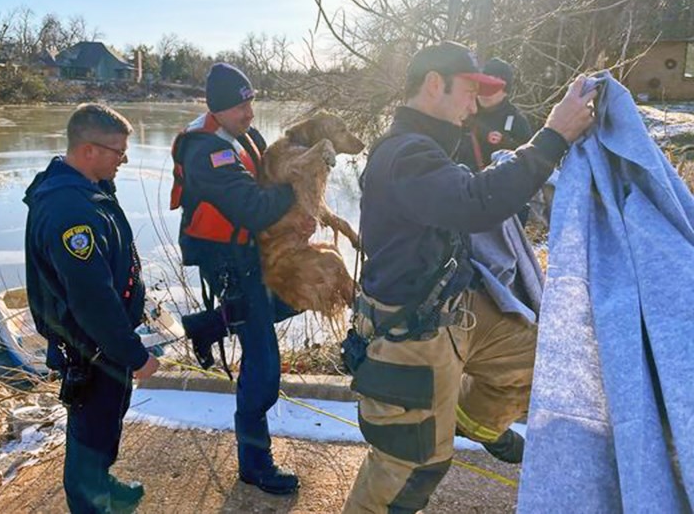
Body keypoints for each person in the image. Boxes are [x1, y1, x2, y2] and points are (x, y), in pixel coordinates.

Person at [342, 41, 596, 513]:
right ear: (434, 84)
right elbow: (474, 202)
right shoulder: (405, 155)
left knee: (547, 359)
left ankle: (467, 418)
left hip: (458, 312)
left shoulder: (430, 149)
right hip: (410, 335)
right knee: (409, 469)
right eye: (468, 90)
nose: (473, 103)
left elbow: (472, 196)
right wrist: (553, 136)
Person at [169, 62, 304, 495]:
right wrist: (301, 188)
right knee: (263, 366)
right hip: (227, 260)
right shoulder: (207, 151)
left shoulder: (245, 135)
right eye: (239, 105)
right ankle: (255, 464)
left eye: (250, 101)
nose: (249, 112)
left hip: (251, 251)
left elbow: (267, 185)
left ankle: (206, 325)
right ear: (218, 108)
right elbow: (256, 209)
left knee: (300, 295)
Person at [24, 103, 159, 513]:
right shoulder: (70, 211)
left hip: (104, 343)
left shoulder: (87, 190)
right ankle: (90, 502)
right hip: (90, 346)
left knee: (105, 423)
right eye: (118, 152)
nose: (124, 160)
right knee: (89, 432)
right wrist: (134, 355)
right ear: (89, 150)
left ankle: (103, 483)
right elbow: (91, 297)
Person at [458, 57, 533, 172]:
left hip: (493, 185)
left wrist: (505, 142)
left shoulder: (516, 120)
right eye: (485, 83)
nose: (488, 90)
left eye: (495, 85)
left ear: (505, 90)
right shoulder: (461, 111)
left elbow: (528, 160)